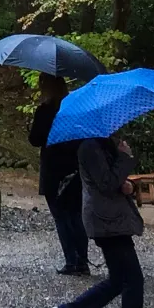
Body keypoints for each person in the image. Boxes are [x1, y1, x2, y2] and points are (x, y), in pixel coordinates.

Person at [50, 132, 154, 308]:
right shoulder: (90, 146)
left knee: (119, 280)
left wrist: (128, 184)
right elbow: (106, 183)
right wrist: (124, 158)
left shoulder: (101, 144)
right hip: (106, 221)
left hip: (111, 218)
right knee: (132, 279)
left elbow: (113, 180)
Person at [29, 75, 90, 275]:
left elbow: (35, 139)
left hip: (53, 170)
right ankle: (82, 260)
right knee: (76, 215)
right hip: (74, 168)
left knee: (61, 217)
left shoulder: (45, 111)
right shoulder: (75, 108)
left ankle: (71, 260)